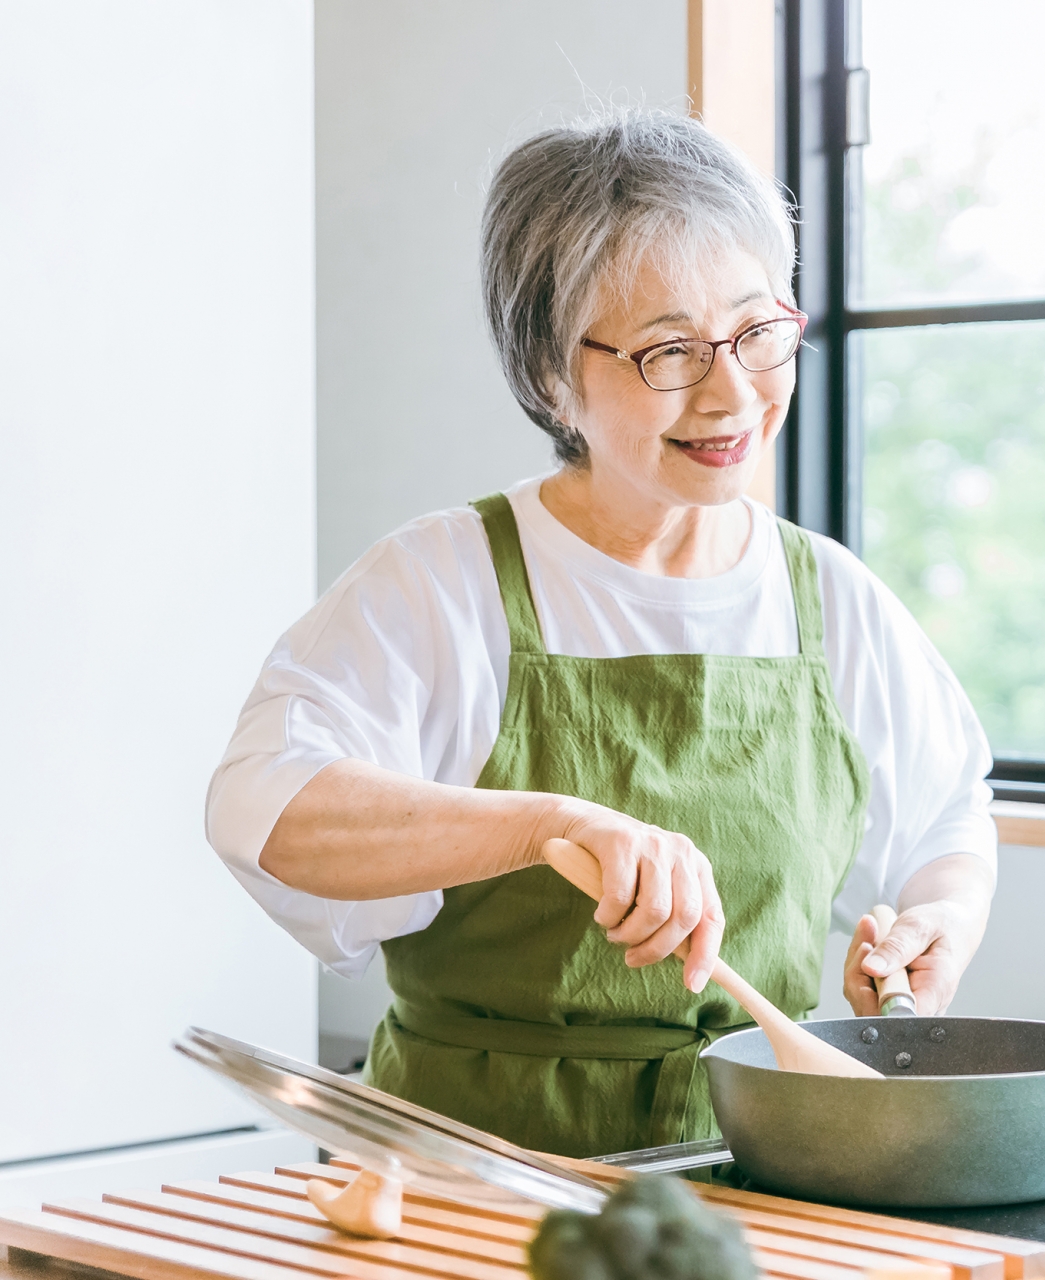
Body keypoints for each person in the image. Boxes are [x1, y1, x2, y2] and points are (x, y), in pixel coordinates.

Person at [206, 109, 996, 1157]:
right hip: (470, 1179)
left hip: (753, 1166)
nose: (731, 393)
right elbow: (264, 806)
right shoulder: (445, 582)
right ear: (549, 378)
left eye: (758, 332)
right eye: (669, 350)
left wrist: (937, 920)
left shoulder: (832, 601)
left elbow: (946, 820)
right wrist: (547, 824)